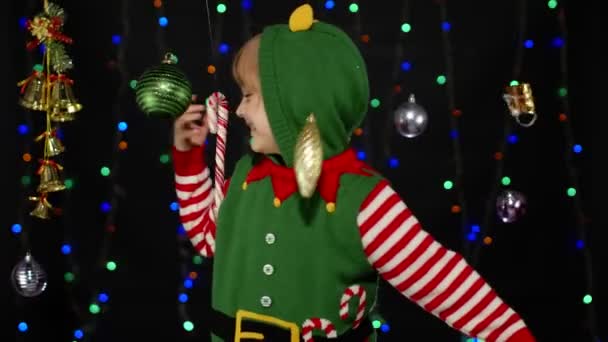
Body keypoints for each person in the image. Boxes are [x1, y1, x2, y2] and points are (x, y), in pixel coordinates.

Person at [171, 4, 536, 342]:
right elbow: (208, 240)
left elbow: (444, 284)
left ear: (296, 104)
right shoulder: (248, 176)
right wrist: (188, 157)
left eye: (249, 96)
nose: (237, 111)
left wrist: (513, 336)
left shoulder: (363, 200)